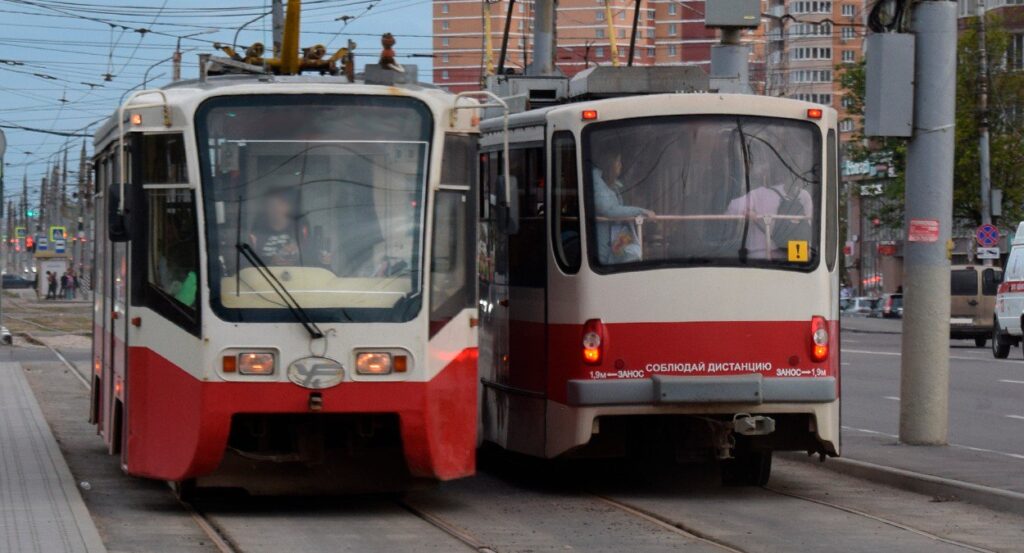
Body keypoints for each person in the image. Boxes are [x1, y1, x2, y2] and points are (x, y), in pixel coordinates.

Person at [725, 160, 813, 261]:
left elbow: (732, 208)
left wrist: (747, 212)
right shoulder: (804, 195)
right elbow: (808, 226)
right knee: (799, 270)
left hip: (761, 254)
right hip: (794, 252)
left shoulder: (760, 194)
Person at [591, 151, 655, 264]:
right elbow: (609, 210)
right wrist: (641, 211)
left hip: (614, 240)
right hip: (602, 245)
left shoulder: (615, 186)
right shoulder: (598, 185)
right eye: (618, 162)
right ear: (610, 165)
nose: (621, 165)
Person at [248, 188, 332, 268]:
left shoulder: (302, 232)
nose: (276, 208)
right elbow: (247, 266)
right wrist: (271, 262)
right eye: (272, 205)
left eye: (281, 204)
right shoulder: (257, 233)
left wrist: (325, 262)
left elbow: (318, 269)